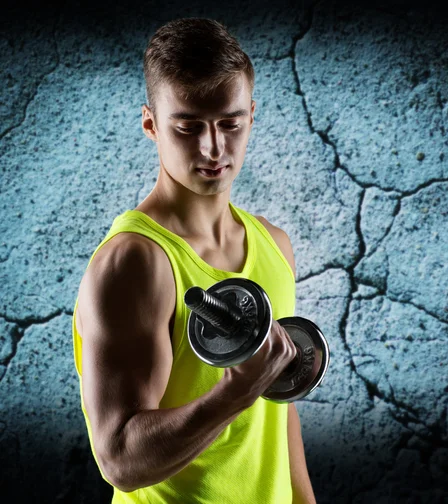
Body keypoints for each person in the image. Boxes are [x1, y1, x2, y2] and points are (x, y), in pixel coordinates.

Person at [72, 17, 317, 503]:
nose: (213, 148)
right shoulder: (135, 263)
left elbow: (277, 410)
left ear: (252, 115)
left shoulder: (274, 244)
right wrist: (233, 393)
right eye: (188, 126)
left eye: (231, 123)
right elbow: (119, 458)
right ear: (151, 125)